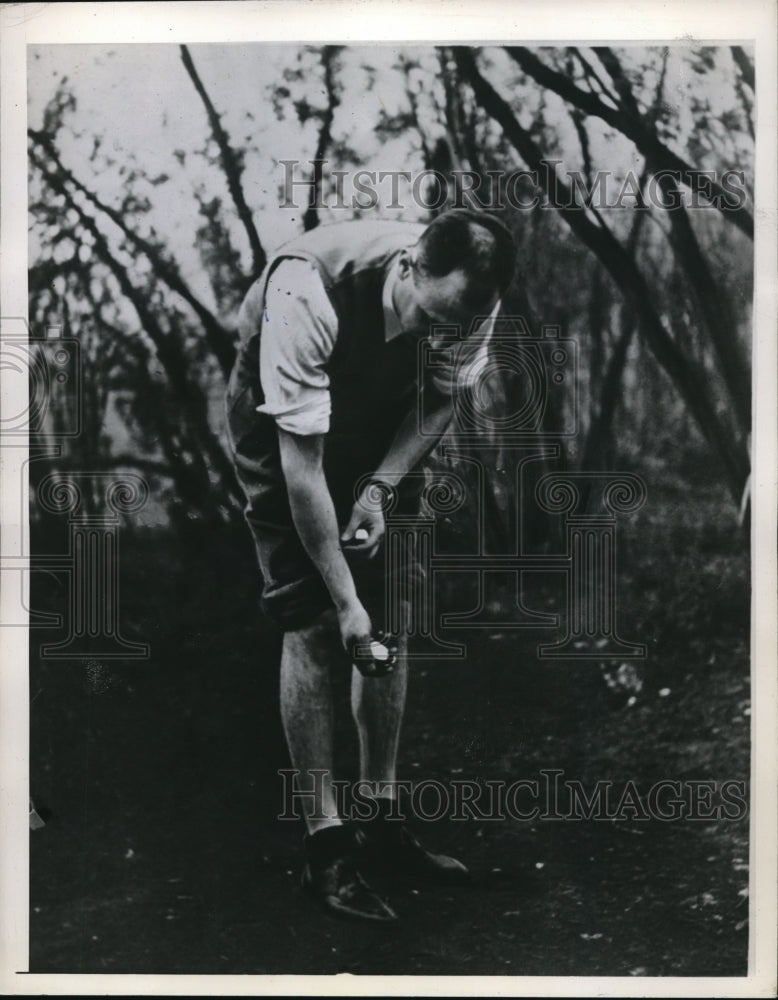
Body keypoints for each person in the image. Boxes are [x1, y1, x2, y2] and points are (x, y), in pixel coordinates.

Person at [225, 208, 516, 922]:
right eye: (430, 316)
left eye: (453, 327)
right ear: (408, 267)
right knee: (320, 622)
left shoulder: (469, 297)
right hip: (285, 427)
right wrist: (344, 599)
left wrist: (381, 488)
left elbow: (443, 396)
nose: (439, 336)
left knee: (393, 618)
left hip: (385, 416)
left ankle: (380, 821)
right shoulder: (306, 294)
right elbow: (304, 468)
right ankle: (325, 844)